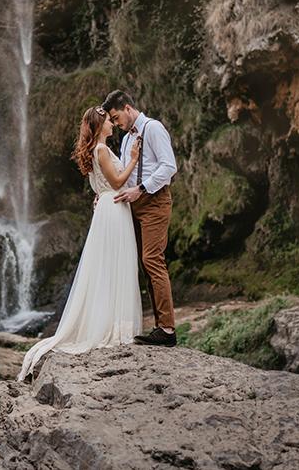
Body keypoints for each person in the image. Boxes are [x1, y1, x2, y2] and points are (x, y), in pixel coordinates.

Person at [17, 105, 143, 382]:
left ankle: (113, 322)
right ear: (100, 126)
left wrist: (101, 194)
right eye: (109, 121)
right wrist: (133, 159)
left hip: (110, 208)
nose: (112, 123)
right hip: (113, 210)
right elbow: (117, 180)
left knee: (112, 266)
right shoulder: (100, 150)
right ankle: (115, 326)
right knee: (115, 266)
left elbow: (103, 186)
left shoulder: (98, 150)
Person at [102, 89, 178, 347]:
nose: (114, 123)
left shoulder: (153, 128)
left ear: (127, 108)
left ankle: (167, 329)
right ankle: (158, 326)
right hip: (133, 203)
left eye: (115, 117)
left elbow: (169, 166)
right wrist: (104, 193)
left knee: (152, 258)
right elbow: (123, 171)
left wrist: (142, 189)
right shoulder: (125, 140)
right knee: (144, 264)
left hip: (154, 200)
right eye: (111, 121)